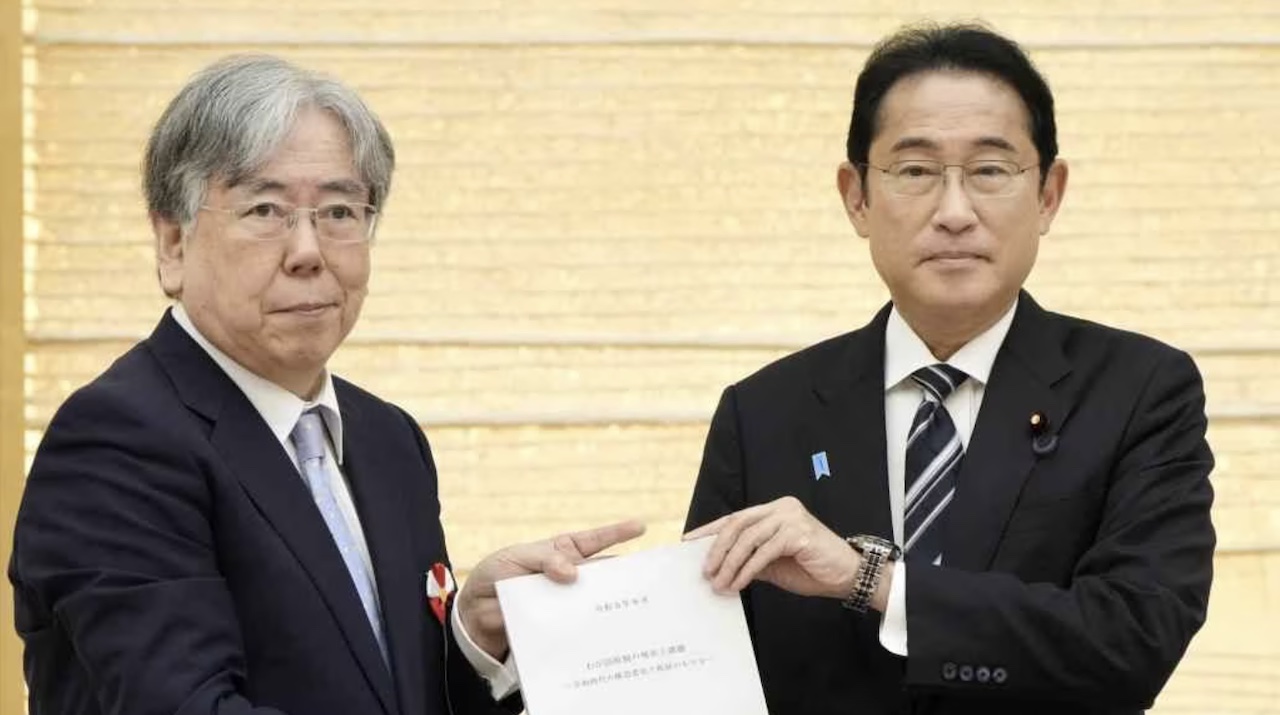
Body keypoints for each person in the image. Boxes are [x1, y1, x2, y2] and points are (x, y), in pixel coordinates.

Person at [9, 54, 643, 715]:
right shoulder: (117, 441)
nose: (308, 251)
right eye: (265, 209)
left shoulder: (387, 438)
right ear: (173, 243)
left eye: (340, 211)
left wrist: (471, 637)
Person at [684, 22, 1215, 715]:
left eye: (991, 170)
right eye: (915, 171)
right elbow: (700, 669)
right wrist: (545, 632)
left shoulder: (1140, 390)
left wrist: (872, 581)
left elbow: (1134, 637)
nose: (955, 212)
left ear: (1048, 194)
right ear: (856, 197)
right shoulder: (762, 413)